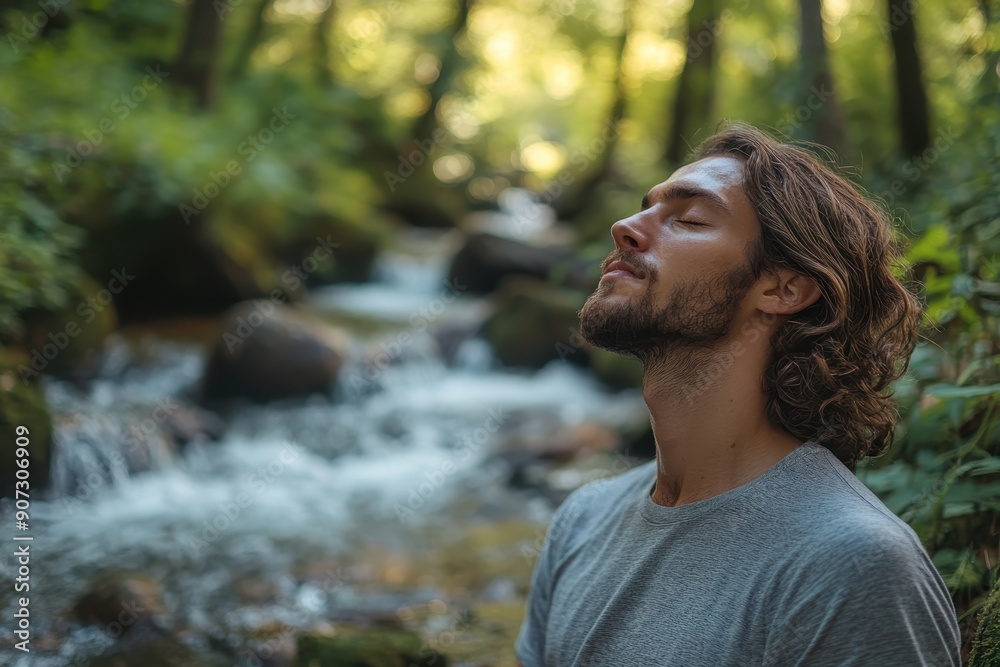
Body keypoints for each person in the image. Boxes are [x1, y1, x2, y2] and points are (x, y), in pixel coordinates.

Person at [514, 124, 962, 666]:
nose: (624, 227)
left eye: (691, 219)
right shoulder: (582, 521)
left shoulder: (853, 567)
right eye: (645, 208)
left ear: (782, 288)